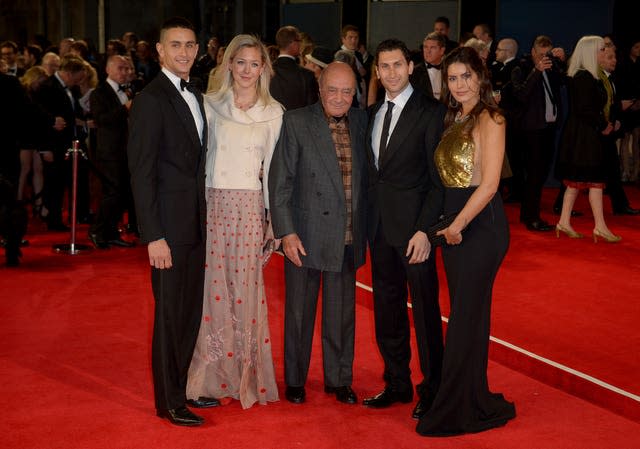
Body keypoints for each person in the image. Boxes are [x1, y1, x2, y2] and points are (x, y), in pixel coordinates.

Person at [416, 45, 516, 437]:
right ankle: (472, 397)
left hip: (480, 228)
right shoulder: (453, 116)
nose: (459, 84)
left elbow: (490, 184)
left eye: (466, 77)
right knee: (468, 316)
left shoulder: (491, 117)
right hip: (455, 226)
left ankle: (456, 409)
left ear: (480, 77)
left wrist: (457, 224)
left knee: (461, 321)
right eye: (452, 77)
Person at [186, 34, 283, 410]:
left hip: (248, 208)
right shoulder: (209, 105)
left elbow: (273, 171)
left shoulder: (274, 112)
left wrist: (274, 219)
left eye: (254, 63)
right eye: (240, 62)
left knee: (243, 292)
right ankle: (209, 378)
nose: (246, 70)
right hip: (211, 204)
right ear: (228, 64)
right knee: (212, 292)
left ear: (263, 68)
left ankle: (243, 375)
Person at [127, 17, 214, 427]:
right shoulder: (151, 99)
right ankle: (169, 401)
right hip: (168, 232)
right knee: (168, 317)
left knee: (188, 315)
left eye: (190, 45)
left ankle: (181, 390)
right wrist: (153, 236)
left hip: (196, 227)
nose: (184, 52)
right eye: (175, 45)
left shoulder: (195, 94)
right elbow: (141, 173)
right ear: (159, 50)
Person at [269, 62, 368, 405]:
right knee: (298, 313)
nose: (340, 98)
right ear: (320, 88)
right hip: (306, 235)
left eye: (347, 91)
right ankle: (295, 380)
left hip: (348, 234)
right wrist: (286, 232)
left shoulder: (361, 121)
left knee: (341, 315)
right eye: (333, 89)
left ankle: (338, 379)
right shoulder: (296, 121)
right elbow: (279, 182)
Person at [363, 38, 445, 420]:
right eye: (384, 66)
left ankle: (433, 388)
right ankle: (397, 382)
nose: (391, 72)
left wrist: (425, 231)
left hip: (415, 234)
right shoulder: (373, 113)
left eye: (398, 65)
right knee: (387, 309)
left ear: (410, 66)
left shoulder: (431, 112)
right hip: (379, 231)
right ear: (377, 71)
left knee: (426, 312)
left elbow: (438, 180)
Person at [555, 36, 622, 242]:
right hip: (584, 135)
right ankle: (599, 226)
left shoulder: (587, 75)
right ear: (591, 52)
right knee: (594, 180)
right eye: (602, 50)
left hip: (584, 133)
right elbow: (585, 109)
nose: (605, 53)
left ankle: (564, 222)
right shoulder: (584, 77)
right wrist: (604, 124)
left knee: (576, 182)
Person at [89, 55, 137, 249]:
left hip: (127, 150)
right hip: (109, 152)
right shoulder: (99, 93)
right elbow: (101, 120)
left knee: (123, 193)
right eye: (121, 69)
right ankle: (97, 230)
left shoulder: (128, 91)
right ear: (108, 70)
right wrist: (125, 108)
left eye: (127, 69)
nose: (126, 72)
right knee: (113, 193)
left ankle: (110, 232)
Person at [270, 26, 318, 111]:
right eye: (299, 41)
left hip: (271, 123)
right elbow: (312, 111)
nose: (300, 44)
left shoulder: (266, 72)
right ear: (293, 43)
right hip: (298, 123)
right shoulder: (307, 76)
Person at [410, 32, 446, 101]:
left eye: (432, 47)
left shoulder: (448, 70)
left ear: (442, 50)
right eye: (425, 47)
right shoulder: (414, 73)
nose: (428, 51)